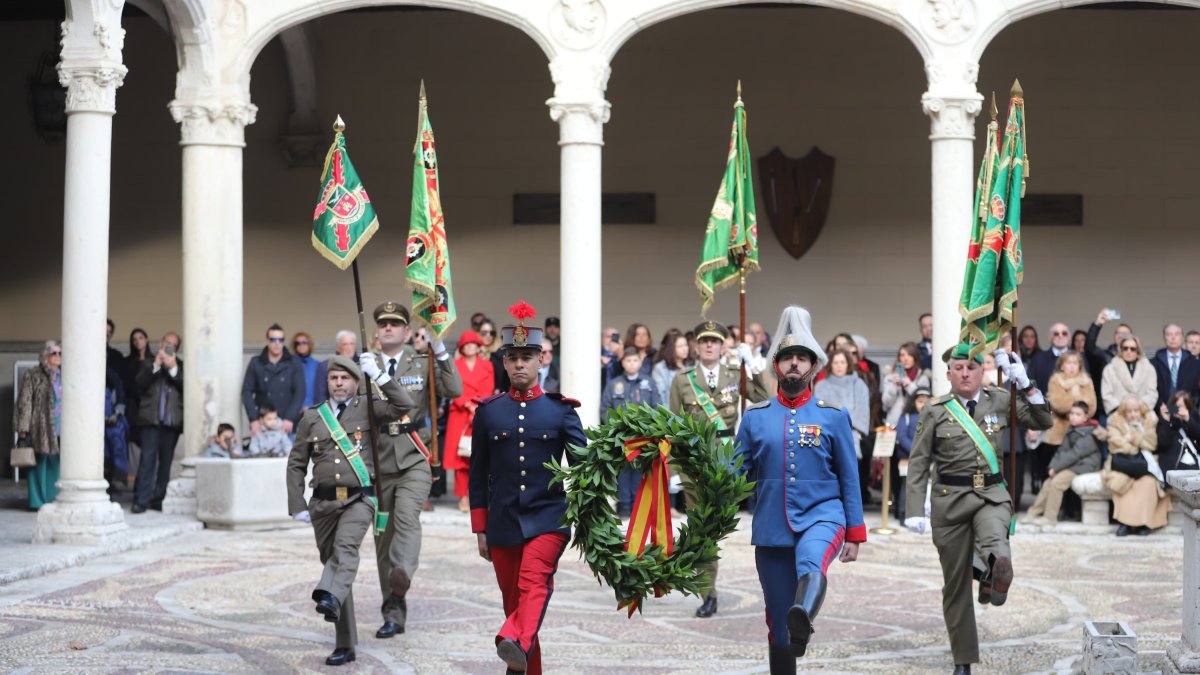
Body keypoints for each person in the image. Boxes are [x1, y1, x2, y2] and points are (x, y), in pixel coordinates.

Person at [905, 344, 1052, 674]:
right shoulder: (934, 409)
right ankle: (963, 660)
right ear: (949, 374)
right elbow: (919, 462)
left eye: (972, 366)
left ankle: (996, 573)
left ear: (983, 370)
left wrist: (1026, 384)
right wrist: (914, 507)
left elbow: (1043, 421)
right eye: (959, 368)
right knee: (955, 585)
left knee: (995, 541)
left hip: (990, 493)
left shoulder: (1000, 399)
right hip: (949, 499)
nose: (966, 372)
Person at [734, 306, 864, 673]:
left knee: (811, 562)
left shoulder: (833, 415)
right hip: (771, 527)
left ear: (813, 366)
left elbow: (849, 476)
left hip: (824, 516)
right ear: (777, 365)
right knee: (777, 623)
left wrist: (855, 531)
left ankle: (803, 616)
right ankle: (793, 627)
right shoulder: (755, 416)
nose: (794, 364)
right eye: (787, 357)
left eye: (801, 358)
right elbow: (734, 473)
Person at [469, 302, 585, 675]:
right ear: (504, 363)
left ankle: (512, 640)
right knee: (517, 608)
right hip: (502, 523)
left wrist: (592, 516)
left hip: (549, 518)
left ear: (541, 360)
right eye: (513, 357)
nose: (520, 364)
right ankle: (520, 660)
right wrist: (480, 529)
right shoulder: (488, 411)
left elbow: (584, 468)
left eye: (527, 357)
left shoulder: (561, 411)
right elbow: (478, 473)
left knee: (532, 586)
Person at [286, 354, 414, 666]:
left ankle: (325, 596)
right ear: (327, 382)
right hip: (323, 504)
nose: (339, 383)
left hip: (359, 499)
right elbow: (296, 463)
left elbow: (404, 405)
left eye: (346, 378)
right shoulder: (312, 417)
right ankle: (345, 643)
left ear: (357, 382)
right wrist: (297, 504)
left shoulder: (368, 407)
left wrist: (380, 376)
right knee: (337, 570)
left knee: (345, 551)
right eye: (334, 378)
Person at [368, 301, 463, 640]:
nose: (389, 328)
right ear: (377, 331)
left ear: (408, 332)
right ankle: (393, 610)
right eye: (384, 324)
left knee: (407, 518)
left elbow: (455, 391)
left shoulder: (420, 362)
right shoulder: (365, 364)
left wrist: (440, 350)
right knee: (383, 541)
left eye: (396, 324)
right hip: (378, 462)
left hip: (414, 457)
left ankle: (403, 572)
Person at [669, 320, 769, 618]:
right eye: (704, 341)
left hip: (726, 463)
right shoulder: (682, 380)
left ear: (723, 346)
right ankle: (708, 592)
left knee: (717, 527)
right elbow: (673, 425)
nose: (710, 345)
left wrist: (753, 363)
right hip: (694, 465)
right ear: (696, 346)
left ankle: (703, 580)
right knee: (703, 530)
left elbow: (764, 398)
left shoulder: (734, 374)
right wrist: (676, 469)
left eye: (715, 341)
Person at [600, 346, 660, 517]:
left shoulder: (649, 383)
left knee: (640, 470)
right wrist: (615, 430)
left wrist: (650, 429)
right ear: (622, 362)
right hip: (622, 438)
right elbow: (605, 409)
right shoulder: (614, 384)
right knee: (623, 472)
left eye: (635, 360)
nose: (632, 364)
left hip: (643, 437)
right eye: (628, 360)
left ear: (640, 362)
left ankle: (638, 506)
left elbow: (657, 407)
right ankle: (624, 506)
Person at [1023, 401, 1101, 525]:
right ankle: (1033, 513)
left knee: (1057, 483)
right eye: (1072, 413)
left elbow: (1075, 454)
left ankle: (1050, 517)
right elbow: (1061, 451)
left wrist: (1057, 468)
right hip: (1074, 465)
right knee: (1048, 482)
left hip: (1085, 466)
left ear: (1086, 417)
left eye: (1078, 414)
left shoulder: (1089, 432)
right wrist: (1052, 467)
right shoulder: (1072, 430)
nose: (1073, 416)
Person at [1103, 395, 1169, 536]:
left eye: (1136, 411)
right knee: (1122, 483)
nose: (1133, 414)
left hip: (1145, 464)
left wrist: (1131, 437)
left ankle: (1143, 524)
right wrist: (1137, 442)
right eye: (1129, 411)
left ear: (1141, 411)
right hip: (1123, 464)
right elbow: (1115, 445)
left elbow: (1152, 444)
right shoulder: (1115, 422)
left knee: (1149, 483)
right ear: (1124, 412)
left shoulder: (1149, 422)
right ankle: (1125, 524)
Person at [132, 332, 183, 514]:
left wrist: (173, 369)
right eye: (167, 343)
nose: (169, 347)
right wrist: (157, 365)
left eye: (174, 345)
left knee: (165, 464)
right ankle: (141, 500)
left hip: (171, 423)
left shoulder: (180, 366)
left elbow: (185, 387)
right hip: (150, 421)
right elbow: (140, 383)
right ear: (161, 343)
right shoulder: (148, 362)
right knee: (147, 461)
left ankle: (158, 499)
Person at [445, 330, 494, 512]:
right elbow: (452, 390)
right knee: (461, 459)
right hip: (460, 414)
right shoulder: (455, 365)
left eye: (473, 343)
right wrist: (467, 404)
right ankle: (463, 498)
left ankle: (478, 497)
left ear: (478, 346)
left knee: (479, 457)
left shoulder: (487, 365)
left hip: (480, 412)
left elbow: (489, 388)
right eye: (467, 344)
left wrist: (476, 406)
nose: (470, 346)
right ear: (462, 347)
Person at [1039, 352, 1097, 497]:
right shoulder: (1056, 380)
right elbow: (1058, 404)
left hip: (1080, 434)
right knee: (1054, 470)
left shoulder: (1086, 381)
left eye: (1075, 363)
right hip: (1058, 432)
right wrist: (1077, 397)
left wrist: (1070, 400)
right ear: (1062, 365)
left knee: (1073, 471)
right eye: (1068, 363)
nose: (1071, 366)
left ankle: (1073, 510)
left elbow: (1092, 406)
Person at [15, 341, 62, 510]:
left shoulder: (64, 375)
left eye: (60, 353)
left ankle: (51, 500)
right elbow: (24, 402)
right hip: (40, 426)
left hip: (60, 425)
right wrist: (22, 430)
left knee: (54, 464)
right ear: (45, 356)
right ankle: (36, 502)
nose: (58, 357)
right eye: (54, 353)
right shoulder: (33, 374)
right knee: (38, 464)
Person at [242, 324, 306, 436]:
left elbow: (300, 392)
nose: (277, 343)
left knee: (290, 452)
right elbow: (246, 392)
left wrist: (289, 418)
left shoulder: (294, 363)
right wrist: (253, 419)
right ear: (267, 340)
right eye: (273, 339)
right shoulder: (256, 363)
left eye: (281, 340)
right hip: (262, 423)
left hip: (287, 424)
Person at [893, 387, 931, 523]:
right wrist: (916, 450)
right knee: (907, 486)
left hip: (928, 458)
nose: (923, 405)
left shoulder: (934, 417)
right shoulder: (906, 417)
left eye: (926, 402)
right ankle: (903, 513)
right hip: (908, 458)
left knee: (926, 486)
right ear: (913, 402)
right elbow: (901, 436)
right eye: (920, 401)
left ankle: (923, 514)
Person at [1084, 310, 1132, 407]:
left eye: (1125, 333)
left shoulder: (1137, 358)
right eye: (1118, 333)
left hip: (1131, 407)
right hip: (1107, 407)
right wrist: (1097, 324)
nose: (1121, 336)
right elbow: (1089, 347)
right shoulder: (1105, 355)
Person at [1101, 335, 1157, 416]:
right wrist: (1123, 409)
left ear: (1138, 350)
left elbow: (1152, 393)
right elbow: (1106, 394)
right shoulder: (1110, 369)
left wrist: (1138, 408)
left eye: (1132, 349)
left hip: (1142, 414)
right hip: (1118, 415)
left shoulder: (1149, 369)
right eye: (1125, 348)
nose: (1129, 351)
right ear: (1121, 349)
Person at [882, 342, 932, 427]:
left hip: (916, 424)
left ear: (915, 357)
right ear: (899, 358)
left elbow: (924, 403)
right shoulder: (890, 378)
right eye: (902, 355)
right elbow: (886, 405)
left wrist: (909, 385)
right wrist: (894, 386)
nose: (906, 359)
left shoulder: (923, 378)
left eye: (909, 355)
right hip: (894, 424)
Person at [1152, 323, 1200, 407]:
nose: (1173, 338)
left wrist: (1190, 405)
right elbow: (1151, 389)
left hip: (1187, 412)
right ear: (1164, 337)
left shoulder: (1195, 364)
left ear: (1182, 337)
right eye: (1169, 334)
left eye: (1177, 334)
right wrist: (1160, 405)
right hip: (1161, 411)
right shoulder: (1154, 363)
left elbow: (1196, 392)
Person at [1159, 391, 1200, 474]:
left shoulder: (1193, 419)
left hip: (1194, 464)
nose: (1178, 410)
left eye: (1182, 407)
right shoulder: (1166, 422)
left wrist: (1188, 420)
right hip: (1173, 466)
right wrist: (1166, 421)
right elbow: (1163, 443)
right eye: (1175, 407)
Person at [313, 330, 358, 405]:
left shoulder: (363, 366)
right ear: (338, 348)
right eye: (345, 344)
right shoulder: (324, 366)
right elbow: (320, 396)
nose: (349, 348)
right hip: (331, 412)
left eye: (351, 344)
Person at [651, 328, 693, 404]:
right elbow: (661, 396)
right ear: (672, 349)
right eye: (680, 346)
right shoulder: (660, 368)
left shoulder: (692, 365)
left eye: (686, 345)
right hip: (670, 412)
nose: (685, 349)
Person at [1030, 322, 1071, 393]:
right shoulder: (1038, 359)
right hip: (1045, 402)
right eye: (1056, 334)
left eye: (1064, 333)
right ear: (1050, 338)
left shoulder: (1079, 358)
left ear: (1069, 337)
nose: (1060, 336)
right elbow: (1031, 385)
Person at [292, 332, 320, 409]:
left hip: (313, 409)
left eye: (304, 342)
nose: (301, 345)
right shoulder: (289, 365)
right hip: (294, 410)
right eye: (298, 343)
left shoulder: (317, 365)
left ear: (309, 344)